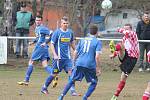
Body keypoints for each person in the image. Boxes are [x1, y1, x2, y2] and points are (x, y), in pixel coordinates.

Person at [58, 24, 102, 100]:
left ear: (89, 31)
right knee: (94, 82)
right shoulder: (97, 42)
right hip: (89, 65)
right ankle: (84, 98)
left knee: (72, 80)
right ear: (97, 32)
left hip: (79, 63)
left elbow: (75, 52)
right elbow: (97, 56)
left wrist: (73, 63)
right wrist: (98, 68)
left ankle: (61, 97)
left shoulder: (82, 40)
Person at [40, 16, 79, 96]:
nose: (65, 24)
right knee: (54, 74)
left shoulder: (70, 32)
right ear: (61, 24)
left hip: (67, 58)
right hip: (58, 59)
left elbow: (72, 43)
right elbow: (52, 44)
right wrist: (55, 55)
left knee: (71, 73)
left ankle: (72, 90)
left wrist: (76, 50)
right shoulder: (57, 32)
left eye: (66, 23)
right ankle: (44, 87)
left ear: (68, 24)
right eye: (64, 23)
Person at [17, 15, 52, 86]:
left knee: (31, 62)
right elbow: (38, 38)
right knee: (45, 65)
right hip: (44, 49)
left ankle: (26, 80)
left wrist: (45, 42)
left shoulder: (42, 28)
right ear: (35, 21)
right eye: (36, 20)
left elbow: (52, 34)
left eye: (39, 20)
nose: (37, 21)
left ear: (41, 21)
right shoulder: (37, 28)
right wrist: (33, 42)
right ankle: (54, 74)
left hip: (40, 47)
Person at [110, 24, 139, 100]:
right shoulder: (124, 38)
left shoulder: (133, 34)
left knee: (123, 77)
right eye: (124, 29)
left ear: (131, 29)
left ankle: (115, 96)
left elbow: (126, 33)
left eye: (127, 29)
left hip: (132, 58)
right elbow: (122, 48)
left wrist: (119, 29)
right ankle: (114, 49)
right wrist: (115, 54)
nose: (125, 30)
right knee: (121, 45)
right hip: (125, 57)